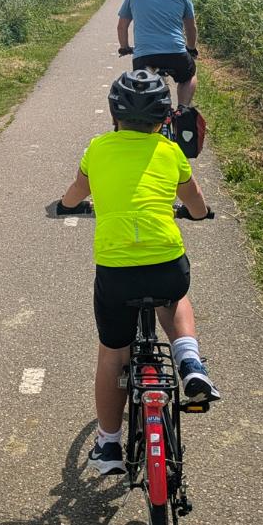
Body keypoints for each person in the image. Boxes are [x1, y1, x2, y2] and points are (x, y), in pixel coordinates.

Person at [54, 70, 221, 477]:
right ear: (164, 118)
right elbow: (196, 204)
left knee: (113, 353)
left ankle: (109, 445)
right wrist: (197, 215)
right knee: (175, 295)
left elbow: (74, 196)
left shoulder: (98, 149)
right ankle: (189, 362)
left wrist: (67, 207)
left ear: (115, 115)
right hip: (165, 266)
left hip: (117, 274)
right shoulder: (170, 153)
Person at [115, 0, 198, 110]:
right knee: (188, 76)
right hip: (176, 54)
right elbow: (190, 26)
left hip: (144, 57)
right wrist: (191, 48)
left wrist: (124, 47)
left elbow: (122, 26)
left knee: (144, 90)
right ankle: (183, 109)